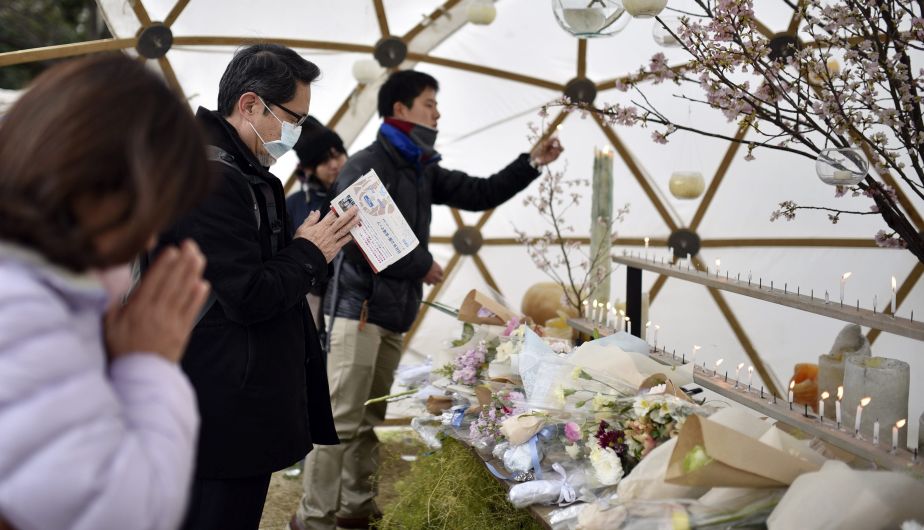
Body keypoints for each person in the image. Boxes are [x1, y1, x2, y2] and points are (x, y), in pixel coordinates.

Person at [294, 70, 563, 530]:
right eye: (429, 102)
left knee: (366, 420)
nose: (436, 112)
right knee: (338, 422)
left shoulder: (419, 168)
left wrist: (530, 163)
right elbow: (359, 235)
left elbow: (479, 192)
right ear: (400, 109)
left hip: (391, 314)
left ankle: (354, 510)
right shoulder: (367, 165)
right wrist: (421, 264)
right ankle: (313, 519)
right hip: (355, 313)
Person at [0, 54, 213, 530]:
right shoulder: (24, 308)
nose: (149, 239)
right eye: (150, 213)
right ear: (100, 186)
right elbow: (123, 513)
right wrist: (148, 363)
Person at [158, 44, 359, 530]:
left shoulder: (243, 173)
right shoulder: (211, 177)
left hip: (235, 400)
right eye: (293, 119)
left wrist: (301, 248)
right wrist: (309, 252)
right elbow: (247, 295)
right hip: (220, 403)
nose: (296, 133)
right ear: (250, 105)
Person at [287, 119, 349, 331]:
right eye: (324, 161)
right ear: (309, 169)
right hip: (315, 305)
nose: (334, 164)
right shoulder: (295, 205)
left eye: (337, 154)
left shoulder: (363, 193)